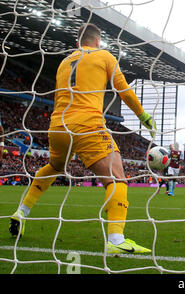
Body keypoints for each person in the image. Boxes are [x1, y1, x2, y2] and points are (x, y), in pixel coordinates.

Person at [9, 23, 157, 254]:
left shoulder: (64, 63)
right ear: (98, 41)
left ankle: (22, 211)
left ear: (78, 42)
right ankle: (116, 240)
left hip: (57, 126)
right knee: (117, 178)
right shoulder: (104, 55)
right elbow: (123, 89)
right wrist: (143, 115)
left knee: (54, 166)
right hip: (87, 125)